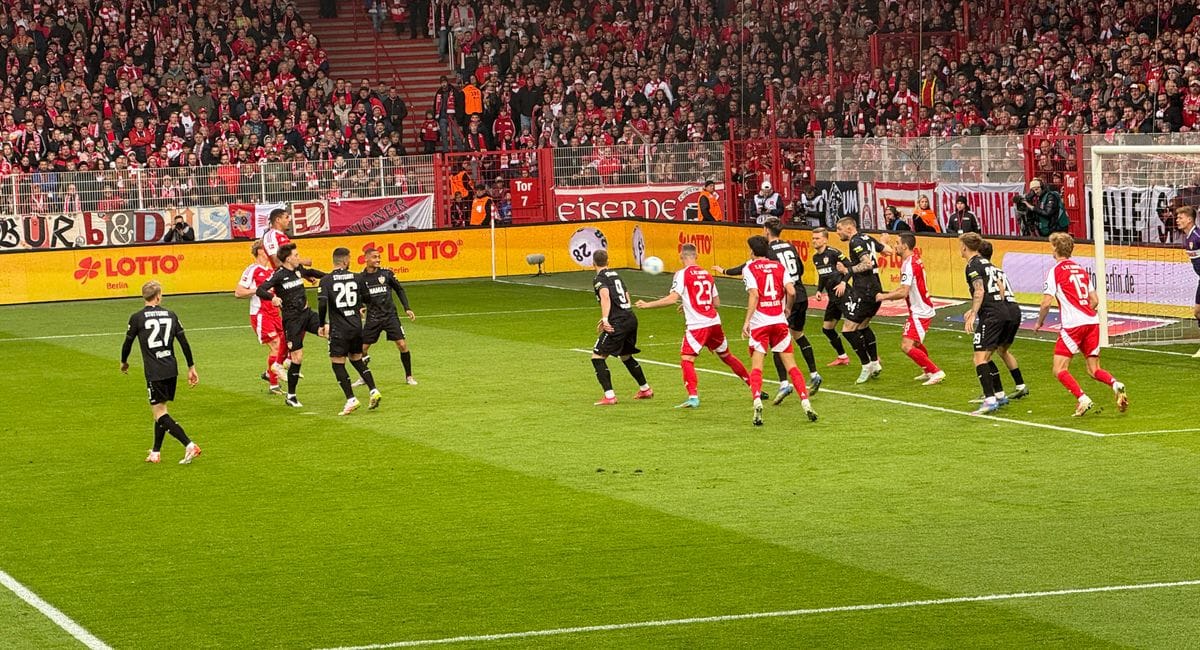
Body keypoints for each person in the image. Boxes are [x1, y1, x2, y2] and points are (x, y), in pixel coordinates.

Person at [635, 244, 751, 408]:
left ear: (681, 256)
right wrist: (689, 302)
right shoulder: (707, 275)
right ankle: (754, 387)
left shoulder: (681, 274)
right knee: (726, 356)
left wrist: (648, 305)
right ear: (696, 256)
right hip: (714, 322)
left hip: (698, 325)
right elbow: (716, 302)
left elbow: (671, 298)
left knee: (687, 359)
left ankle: (693, 397)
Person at [1034, 233, 1129, 416]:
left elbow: (1046, 302)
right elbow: (1094, 300)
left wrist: (1040, 322)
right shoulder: (1080, 270)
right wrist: (1084, 310)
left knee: (1059, 369)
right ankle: (1115, 384)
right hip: (1092, 322)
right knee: (1094, 369)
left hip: (1073, 325)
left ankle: (1083, 399)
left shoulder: (1056, 271)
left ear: (1055, 248)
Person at [120, 281, 202, 465]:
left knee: (160, 413)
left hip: (154, 370)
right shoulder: (171, 315)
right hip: (171, 368)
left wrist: (124, 362)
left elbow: (127, 343)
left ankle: (189, 445)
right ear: (158, 296)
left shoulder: (137, 318)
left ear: (144, 296)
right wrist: (191, 367)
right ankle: (156, 452)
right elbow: (184, 342)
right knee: (160, 410)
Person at [741, 235, 817, 426]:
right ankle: (805, 402)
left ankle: (757, 401)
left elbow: (754, 295)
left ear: (752, 251)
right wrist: (788, 308)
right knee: (792, 366)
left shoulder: (749, 268)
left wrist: (747, 321)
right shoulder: (779, 267)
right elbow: (791, 291)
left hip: (760, 323)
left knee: (757, 366)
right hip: (780, 322)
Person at [255, 243, 327, 408]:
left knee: (328, 330)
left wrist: (331, 277)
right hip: (292, 320)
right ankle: (291, 396)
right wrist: (271, 298)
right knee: (297, 358)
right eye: (296, 255)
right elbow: (260, 290)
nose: (298, 257)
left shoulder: (298, 269)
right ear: (288, 259)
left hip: (307, 313)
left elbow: (312, 272)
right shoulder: (279, 275)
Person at [960, 233, 1023, 415]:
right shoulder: (990, 265)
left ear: (965, 247)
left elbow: (979, 291)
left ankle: (989, 400)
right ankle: (1000, 395)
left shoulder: (973, 265)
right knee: (987, 356)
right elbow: (1001, 289)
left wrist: (973, 313)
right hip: (1001, 311)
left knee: (979, 358)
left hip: (991, 315)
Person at [874, 233, 945, 385]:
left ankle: (935, 371)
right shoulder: (913, 260)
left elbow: (904, 292)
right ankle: (927, 370)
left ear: (905, 246)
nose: (895, 246)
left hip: (920, 311)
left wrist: (883, 297)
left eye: (897, 243)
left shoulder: (909, 265)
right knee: (916, 344)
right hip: (920, 308)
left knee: (906, 346)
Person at [318, 247, 382, 415]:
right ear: (345, 261)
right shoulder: (357, 277)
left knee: (337, 362)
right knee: (356, 359)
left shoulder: (326, 280)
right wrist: (359, 307)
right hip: (356, 326)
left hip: (339, 328)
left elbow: (323, 303)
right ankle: (373, 390)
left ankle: (351, 399)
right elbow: (367, 298)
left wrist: (321, 324)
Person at [833, 217, 892, 384]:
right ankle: (874, 363)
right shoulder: (867, 237)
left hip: (864, 290)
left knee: (848, 330)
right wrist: (882, 241)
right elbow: (887, 250)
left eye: (839, 229)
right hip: (875, 288)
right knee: (863, 325)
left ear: (849, 228)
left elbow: (867, 263)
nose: (837, 232)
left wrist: (847, 269)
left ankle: (866, 365)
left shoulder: (855, 242)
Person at [591, 249, 652, 405]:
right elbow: (626, 295)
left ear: (593, 264)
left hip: (618, 322)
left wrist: (606, 319)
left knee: (597, 357)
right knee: (625, 355)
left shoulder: (599, 278)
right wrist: (622, 312)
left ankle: (609, 396)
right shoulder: (615, 275)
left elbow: (605, 296)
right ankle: (645, 389)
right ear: (608, 261)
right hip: (630, 317)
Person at [358, 247, 418, 385]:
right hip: (373, 317)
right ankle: (363, 377)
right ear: (366, 259)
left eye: (379, 257)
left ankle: (409, 377)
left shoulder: (387, 274)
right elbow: (358, 296)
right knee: (361, 349)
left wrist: (407, 307)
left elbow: (399, 289)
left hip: (390, 316)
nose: (378, 259)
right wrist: (360, 307)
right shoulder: (360, 278)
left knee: (402, 345)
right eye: (374, 257)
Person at [234, 241, 286, 395]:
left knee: (285, 345)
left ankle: (269, 373)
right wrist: (258, 290)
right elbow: (238, 292)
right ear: (260, 251)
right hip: (260, 314)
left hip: (275, 313)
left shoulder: (271, 271)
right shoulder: (252, 270)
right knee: (276, 346)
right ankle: (273, 385)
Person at [810, 227, 851, 366]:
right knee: (827, 328)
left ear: (825, 240)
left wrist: (844, 283)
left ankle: (873, 357)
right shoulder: (815, 257)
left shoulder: (833, 253)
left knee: (854, 327)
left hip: (844, 294)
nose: (814, 241)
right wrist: (819, 290)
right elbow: (823, 275)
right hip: (833, 297)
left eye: (817, 238)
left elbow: (850, 267)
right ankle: (842, 357)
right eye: (813, 238)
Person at [1176, 205, 1200, 357]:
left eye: (1180, 217)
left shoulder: (1197, 237)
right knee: (1197, 312)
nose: (1177, 220)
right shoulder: (1188, 238)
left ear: (1189, 219)